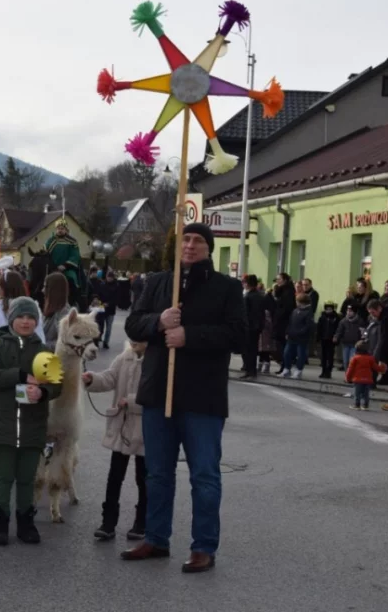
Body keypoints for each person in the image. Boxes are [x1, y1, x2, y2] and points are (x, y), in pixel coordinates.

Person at [122, 222, 246, 574]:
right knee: (157, 474)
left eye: (197, 241)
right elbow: (133, 324)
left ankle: (204, 545)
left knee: (205, 475)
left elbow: (238, 336)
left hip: (202, 397)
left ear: (208, 247)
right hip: (159, 391)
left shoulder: (226, 287)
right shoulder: (158, 282)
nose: (190, 246)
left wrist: (189, 335)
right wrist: (158, 323)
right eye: (185, 240)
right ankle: (156, 538)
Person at [0, 296, 62, 546]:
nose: (26, 322)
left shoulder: (43, 351)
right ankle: (0, 523)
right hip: (3, 425)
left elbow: (57, 385)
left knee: (28, 477)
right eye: (21, 317)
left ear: (36, 321)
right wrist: (19, 375)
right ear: (12, 319)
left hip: (32, 425)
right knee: (3, 477)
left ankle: (26, 523)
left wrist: (43, 393)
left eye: (30, 318)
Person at [83, 340, 147, 542]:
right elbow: (109, 377)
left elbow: (160, 392)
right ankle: (108, 522)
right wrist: (91, 379)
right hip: (122, 427)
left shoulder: (157, 360)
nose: (136, 341)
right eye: (134, 337)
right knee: (114, 477)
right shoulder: (124, 358)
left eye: (141, 338)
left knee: (143, 479)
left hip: (145, 430)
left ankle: (142, 522)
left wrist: (132, 401)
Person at [345, 341, 387, 410]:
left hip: (357, 379)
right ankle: (365, 405)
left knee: (357, 393)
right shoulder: (370, 358)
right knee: (366, 394)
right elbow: (376, 367)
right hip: (368, 379)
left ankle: (357, 405)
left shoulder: (355, 358)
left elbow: (350, 369)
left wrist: (348, 378)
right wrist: (383, 368)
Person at [282, 293, 315, 380]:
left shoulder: (308, 312)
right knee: (286, 353)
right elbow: (290, 323)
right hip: (291, 337)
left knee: (301, 354)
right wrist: (287, 332)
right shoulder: (295, 311)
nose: (296, 303)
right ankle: (287, 369)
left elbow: (308, 326)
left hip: (301, 338)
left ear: (302, 302)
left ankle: (298, 370)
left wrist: (300, 332)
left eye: (298, 301)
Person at [45, 218, 82, 293]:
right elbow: (45, 253)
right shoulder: (51, 240)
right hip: (52, 268)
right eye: (58, 228)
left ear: (66, 229)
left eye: (62, 228)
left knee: (72, 278)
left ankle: (74, 298)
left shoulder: (72, 241)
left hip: (67, 269)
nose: (60, 230)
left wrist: (65, 265)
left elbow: (75, 255)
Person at [241, 275, 265, 379]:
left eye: (244, 282)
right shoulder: (260, 295)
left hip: (249, 327)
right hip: (257, 326)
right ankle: (252, 371)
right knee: (253, 349)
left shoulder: (248, 297)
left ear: (248, 284)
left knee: (247, 350)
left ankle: (249, 370)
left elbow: (245, 314)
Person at [272, 273, 296, 375]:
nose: (278, 281)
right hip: (280, 321)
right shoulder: (281, 291)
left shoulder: (288, 292)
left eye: (279, 279)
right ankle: (283, 366)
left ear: (285, 280)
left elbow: (287, 308)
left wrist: (278, 314)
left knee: (284, 346)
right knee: (280, 345)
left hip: (285, 322)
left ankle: (286, 367)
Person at [42, 272, 71, 352]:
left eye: (45, 287)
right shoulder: (53, 309)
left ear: (54, 290)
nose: (42, 290)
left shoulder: (64, 313)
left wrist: (41, 345)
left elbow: (65, 343)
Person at [334, 305, 364, 371]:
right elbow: (339, 331)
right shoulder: (343, 321)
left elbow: (362, 332)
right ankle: (347, 376)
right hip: (345, 344)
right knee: (345, 361)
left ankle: (351, 375)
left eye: (350, 311)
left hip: (355, 344)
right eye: (347, 311)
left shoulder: (360, 321)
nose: (348, 312)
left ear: (355, 312)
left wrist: (362, 341)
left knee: (352, 361)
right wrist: (336, 337)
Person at [316, 302, 341, 379]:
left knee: (330, 356)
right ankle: (323, 371)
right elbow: (319, 328)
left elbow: (338, 329)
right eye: (327, 309)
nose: (328, 311)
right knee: (323, 356)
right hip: (323, 339)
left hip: (331, 339)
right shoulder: (322, 317)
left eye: (330, 309)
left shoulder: (336, 318)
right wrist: (318, 338)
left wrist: (336, 338)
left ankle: (328, 371)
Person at [96, 270, 119, 349]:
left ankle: (106, 342)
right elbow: (98, 295)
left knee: (108, 328)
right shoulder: (102, 285)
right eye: (108, 277)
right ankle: (98, 338)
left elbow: (116, 298)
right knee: (100, 326)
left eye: (110, 277)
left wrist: (108, 304)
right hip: (102, 308)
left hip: (110, 309)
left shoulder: (116, 286)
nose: (109, 279)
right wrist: (100, 302)